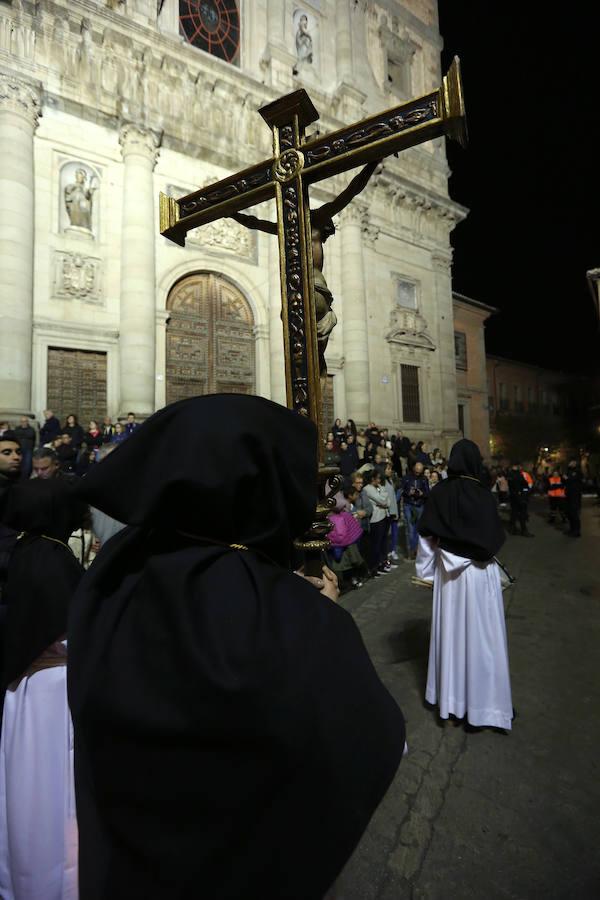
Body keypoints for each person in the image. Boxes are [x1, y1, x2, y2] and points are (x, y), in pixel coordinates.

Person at [68, 395, 406, 900]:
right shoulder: (269, 603)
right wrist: (325, 616)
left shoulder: (123, 566)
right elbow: (368, 734)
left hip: (124, 854)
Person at [0, 479, 86, 900]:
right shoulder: (51, 557)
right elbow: (66, 630)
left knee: (27, 798)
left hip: (31, 688)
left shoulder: (30, 549)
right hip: (51, 691)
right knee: (52, 800)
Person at [230, 162, 380, 376]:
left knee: (298, 349)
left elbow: (255, 223)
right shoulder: (318, 218)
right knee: (320, 338)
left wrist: (231, 213)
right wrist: (374, 161)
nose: (327, 236)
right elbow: (352, 189)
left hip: (294, 295)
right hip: (316, 294)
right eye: (328, 233)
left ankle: (310, 366)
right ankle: (318, 363)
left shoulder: (288, 223)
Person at [416, 439, 513, 732]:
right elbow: (495, 536)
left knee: (452, 636)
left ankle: (451, 703)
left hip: (450, 577)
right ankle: (485, 707)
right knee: (483, 640)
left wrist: (426, 572)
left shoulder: (440, 492)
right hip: (480, 575)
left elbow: (426, 536)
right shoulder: (483, 494)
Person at [363, 469, 391, 576]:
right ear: (372, 478)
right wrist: (383, 499)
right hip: (376, 519)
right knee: (376, 544)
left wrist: (383, 499)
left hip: (384, 516)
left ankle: (382, 564)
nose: (379, 480)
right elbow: (382, 500)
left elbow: (387, 503)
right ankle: (374, 567)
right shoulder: (368, 489)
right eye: (378, 478)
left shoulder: (379, 487)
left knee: (383, 543)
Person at [401, 461, 429, 559]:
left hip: (419, 505)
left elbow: (427, 493)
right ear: (414, 469)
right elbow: (401, 491)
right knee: (410, 528)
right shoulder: (406, 478)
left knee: (418, 529)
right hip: (408, 504)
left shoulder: (424, 479)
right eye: (416, 471)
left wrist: (422, 494)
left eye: (420, 472)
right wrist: (408, 492)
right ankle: (410, 552)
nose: (418, 473)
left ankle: (416, 550)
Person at [507, 463, 533, 537]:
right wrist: (525, 492)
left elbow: (524, 485)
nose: (519, 467)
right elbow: (523, 485)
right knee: (521, 513)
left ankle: (513, 529)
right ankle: (523, 530)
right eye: (518, 466)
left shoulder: (511, 474)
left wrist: (525, 491)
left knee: (514, 513)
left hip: (515, 496)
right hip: (519, 497)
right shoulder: (516, 474)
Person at [564, 459, 582, 538]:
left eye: (572, 462)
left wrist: (567, 478)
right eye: (570, 462)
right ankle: (572, 529)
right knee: (569, 513)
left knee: (574, 513)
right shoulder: (568, 471)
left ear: (575, 463)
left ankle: (576, 531)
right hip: (568, 495)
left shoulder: (578, 471)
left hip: (575, 495)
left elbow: (573, 480)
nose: (570, 463)